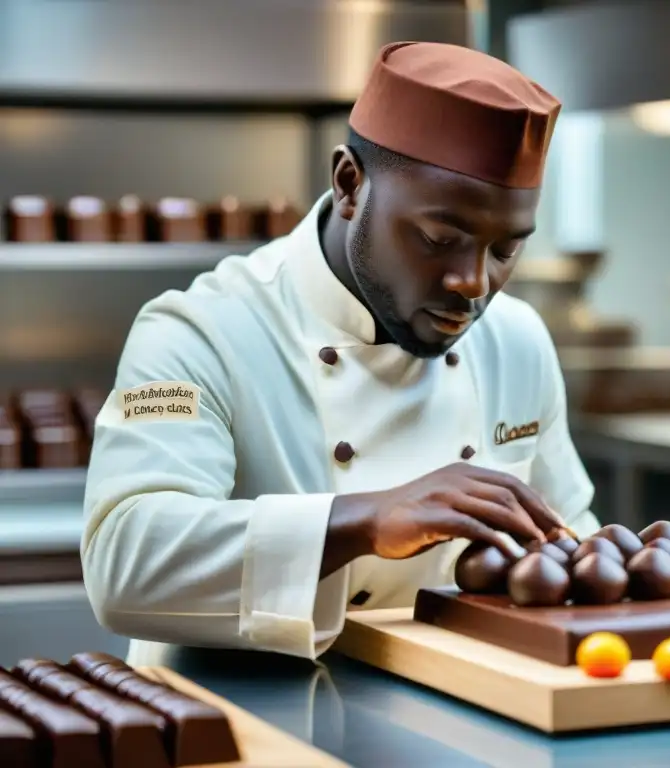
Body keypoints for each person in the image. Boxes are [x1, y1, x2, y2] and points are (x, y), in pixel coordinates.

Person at [81, 41, 602, 663]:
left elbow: (569, 537)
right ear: (350, 184)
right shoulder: (198, 332)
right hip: (236, 722)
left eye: (505, 251)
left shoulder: (516, 340)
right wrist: (363, 520)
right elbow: (124, 563)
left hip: (460, 717)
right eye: (440, 238)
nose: (473, 282)